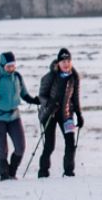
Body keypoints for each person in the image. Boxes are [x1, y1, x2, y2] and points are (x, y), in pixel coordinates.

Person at [0, 52, 42, 180]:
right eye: (8, 66)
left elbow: (24, 94)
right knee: (2, 149)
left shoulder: (17, 77)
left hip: (14, 116)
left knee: (20, 147)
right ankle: (4, 176)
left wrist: (34, 100)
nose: (11, 69)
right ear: (2, 65)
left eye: (13, 66)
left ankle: (12, 172)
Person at [36, 49, 83, 178]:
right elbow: (41, 96)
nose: (66, 64)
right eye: (63, 61)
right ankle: (43, 172)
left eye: (68, 61)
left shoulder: (74, 76)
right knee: (50, 145)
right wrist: (50, 103)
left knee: (70, 143)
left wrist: (79, 114)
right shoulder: (50, 76)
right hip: (50, 114)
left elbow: (75, 97)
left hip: (66, 114)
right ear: (58, 62)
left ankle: (69, 172)